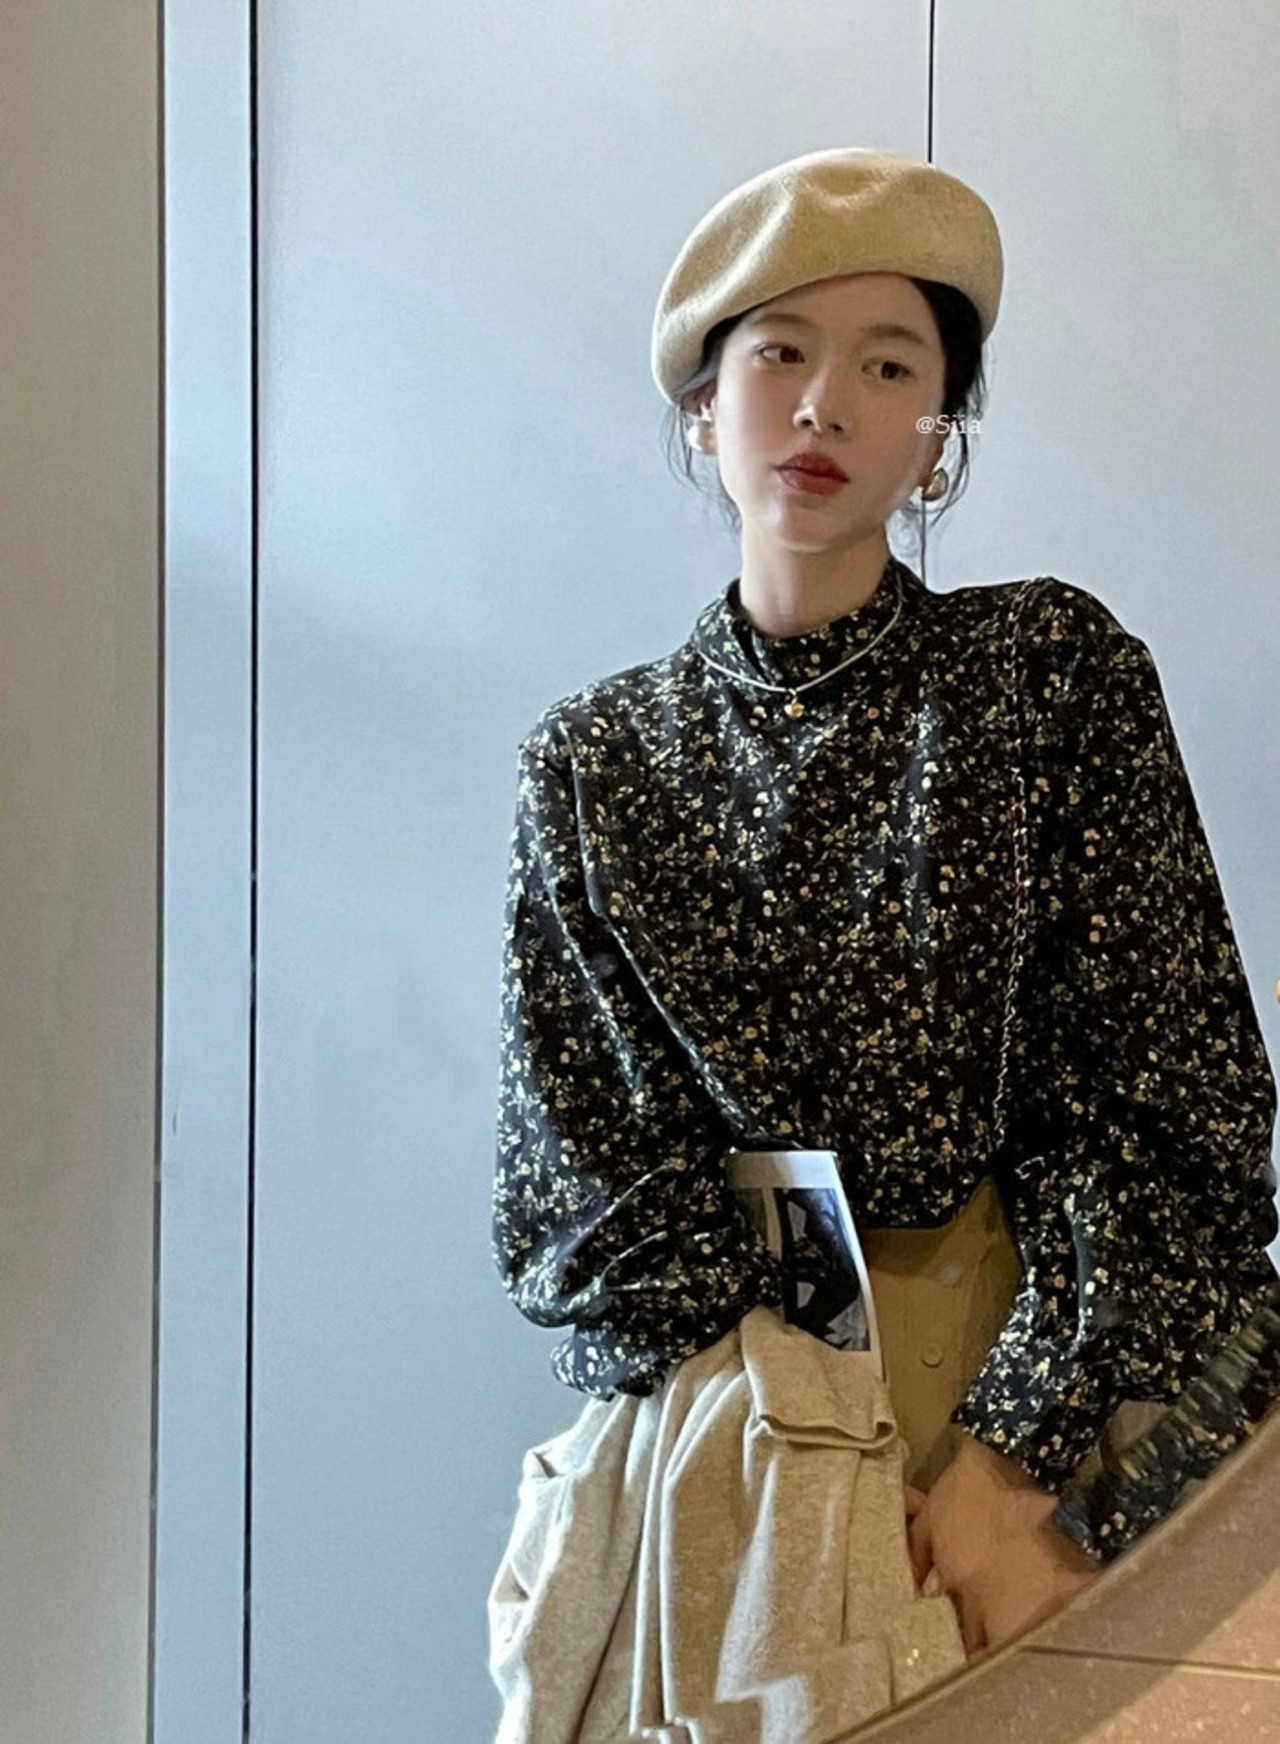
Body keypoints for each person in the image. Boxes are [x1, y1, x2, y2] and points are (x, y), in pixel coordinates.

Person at [488, 148, 1280, 1737]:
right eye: (778, 351)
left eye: (890, 367)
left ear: (940, 439)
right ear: (701, 405)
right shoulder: (597, 759)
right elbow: (572, 1206)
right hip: (750, 1438)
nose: (822, 405)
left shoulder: (1045, 670)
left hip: (1079, 1390)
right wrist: (817, 1406)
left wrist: (1011, 1460)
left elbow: (1187, 1116)